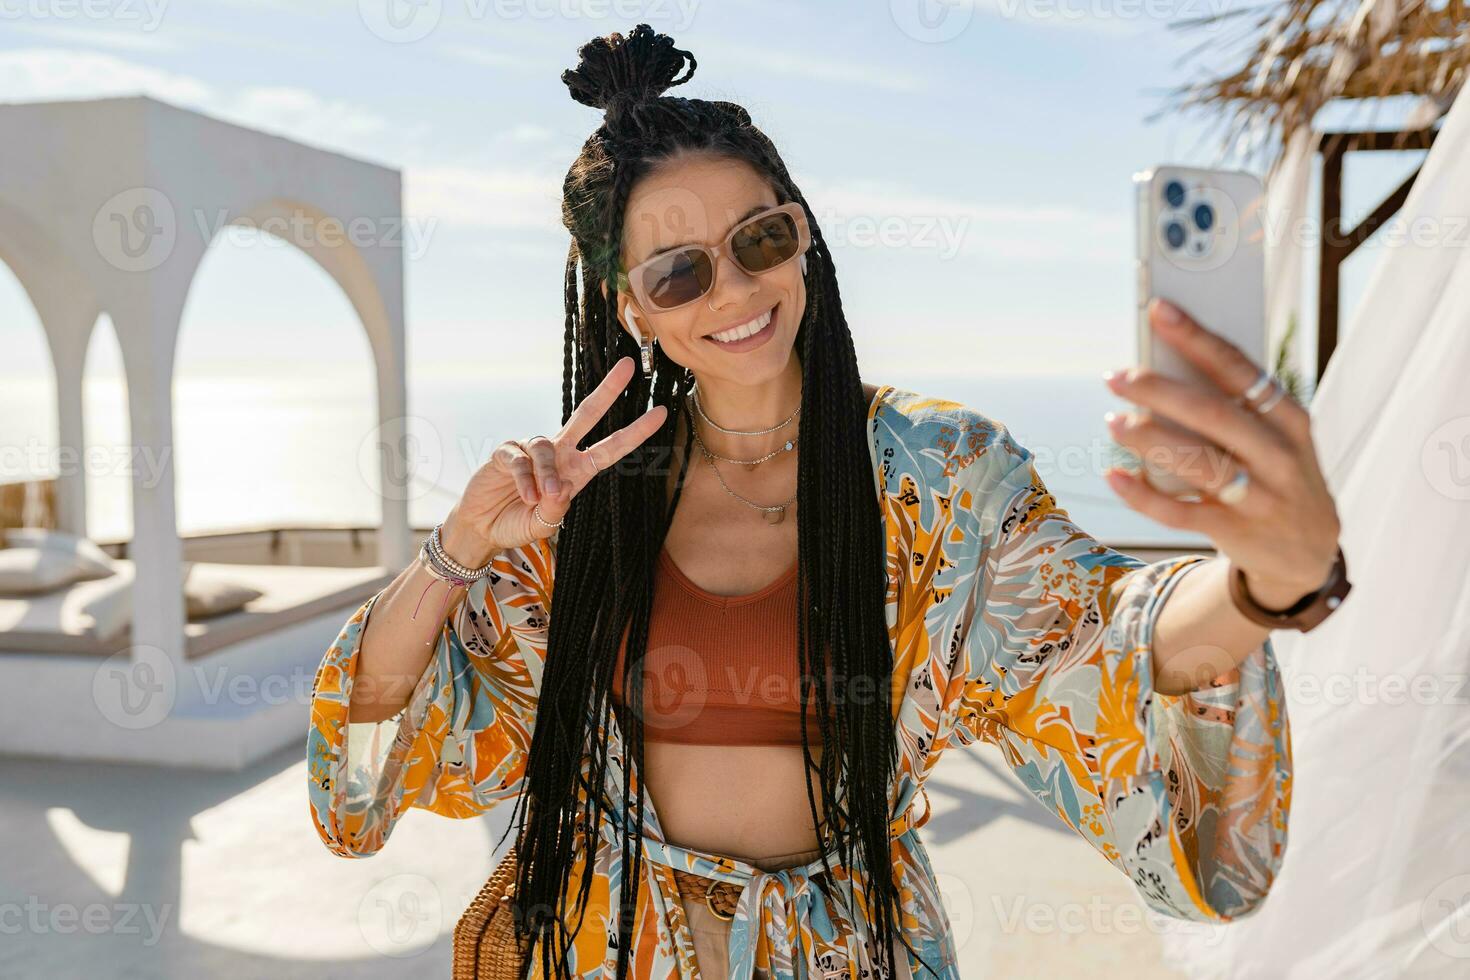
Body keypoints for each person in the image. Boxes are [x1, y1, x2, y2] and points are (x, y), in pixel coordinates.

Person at [307, 24, 1345, 980]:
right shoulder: (582, 507)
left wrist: (1267, 585)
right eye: (678, 273)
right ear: (631, 309)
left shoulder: (935, 474)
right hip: (609, 950)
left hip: (850, 953)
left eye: (759, 239)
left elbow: (1104, 643)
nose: (733, 290)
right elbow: (365, 767)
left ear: (801, 237)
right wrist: (457, 547)